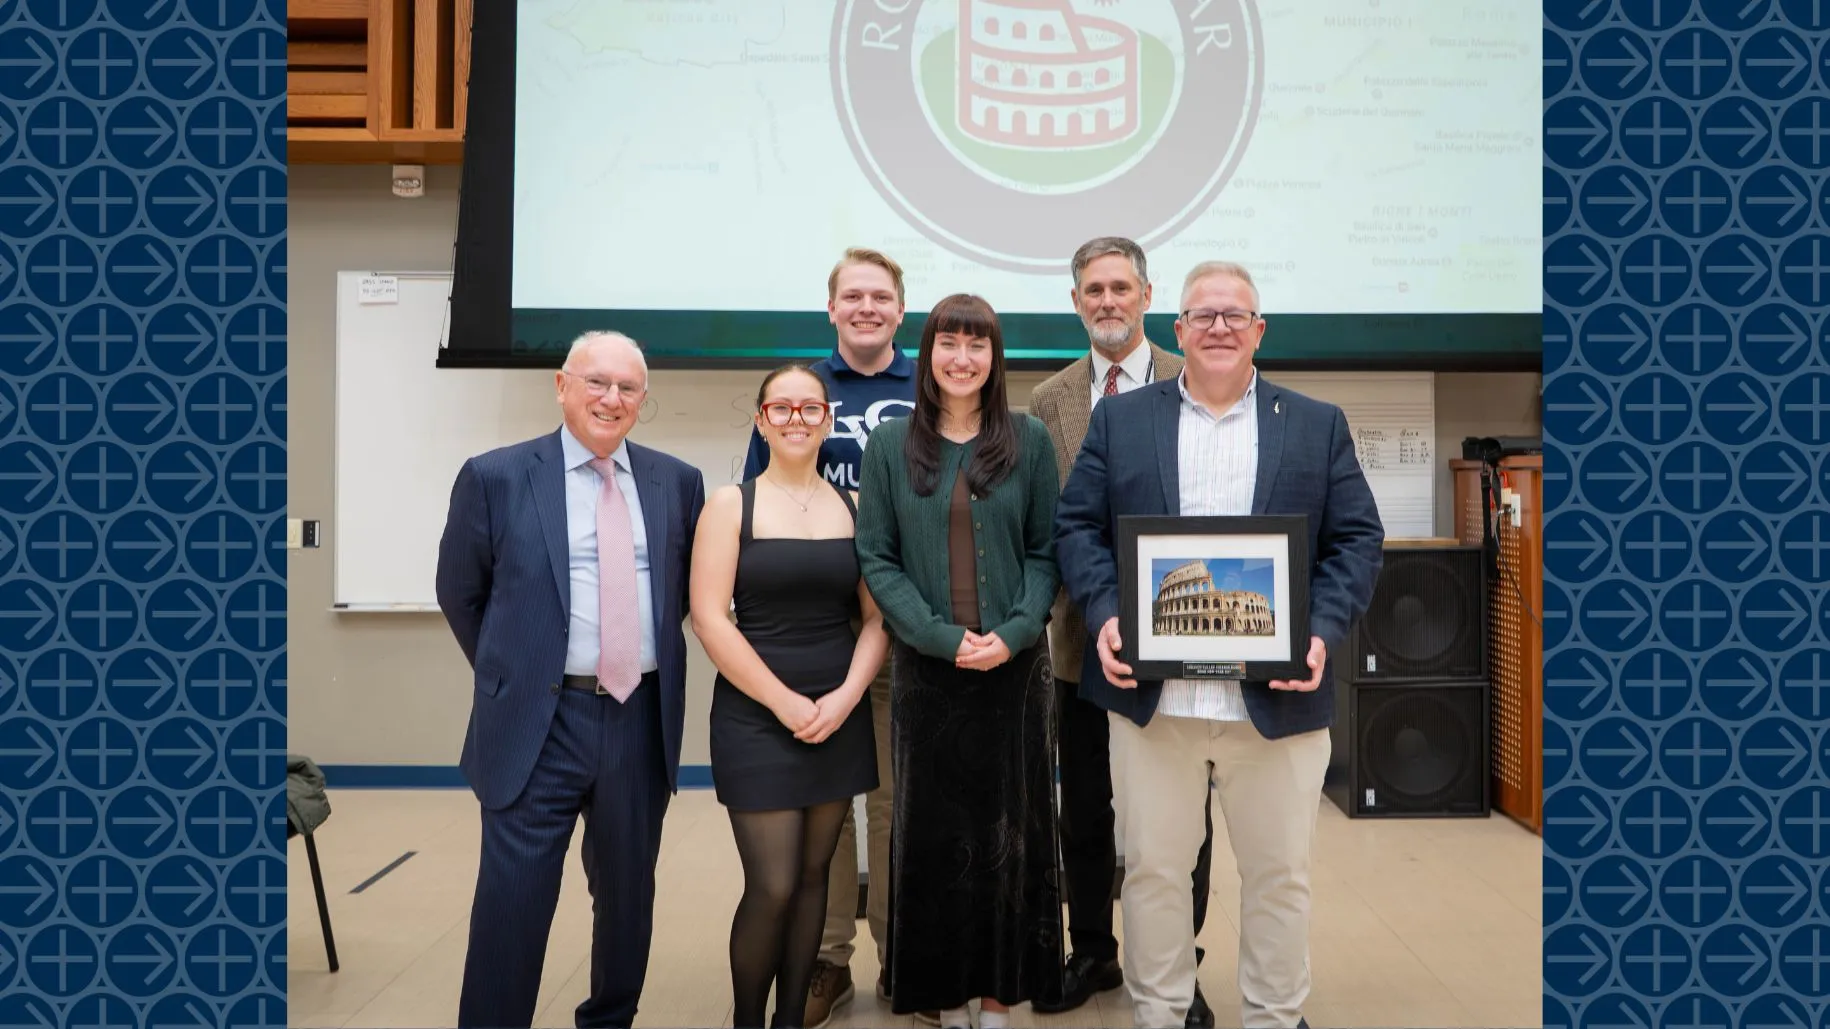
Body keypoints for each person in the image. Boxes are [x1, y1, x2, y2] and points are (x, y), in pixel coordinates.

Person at [1055, 262, 1384, 1029]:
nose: (1220, 327)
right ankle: (1161, 1013)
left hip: (1277, 702)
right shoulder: (1121, 420)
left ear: (1259, 329)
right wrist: (1106, 614)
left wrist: (1320, 633)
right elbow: (1077, 528)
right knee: (1154, 877)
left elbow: (1358, 540)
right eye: (1203, 314)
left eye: (1236, 314)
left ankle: (1273, 1015)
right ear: (1178, 329)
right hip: (1152, 704)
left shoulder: (1315, 423)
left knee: (1279, 878)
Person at [435, 330, 707, 1029]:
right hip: (538, 725)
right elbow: (461, 594)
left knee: (626, 900)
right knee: (513, 900)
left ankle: (609, 1018)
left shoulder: (677, 482)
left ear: (643, 400)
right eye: (596, 382)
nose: (611, 399)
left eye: (627, 388)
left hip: (637, 719)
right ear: (562, 385)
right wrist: (519, 676)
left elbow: (676, 594)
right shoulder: (495, 476)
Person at [854, 293, 1066, 1029]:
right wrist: (941, 637)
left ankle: (1002, 995)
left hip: (1013, 672)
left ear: (994, 358)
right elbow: (877, 559)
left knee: (1012, 836)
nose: (963, 357)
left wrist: (1012, 631)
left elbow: (1046, 552)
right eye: (949, 342)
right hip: (926, 675)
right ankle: (945, 997)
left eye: (978, 344)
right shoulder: (890, 444)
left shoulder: (1030, 440)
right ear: (929, 353)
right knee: (933, 840)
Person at [1026, 237, 1219, 1028]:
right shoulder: (1049, 399)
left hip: (1184, 639)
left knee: (1182, 816)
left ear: (1147, 294)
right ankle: (1096, 946)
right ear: (1077, 302)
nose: (1107, 301)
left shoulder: (1195, 376)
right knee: (1090, 807)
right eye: (1092, 290)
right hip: (1081, 641)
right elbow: (1049, 521)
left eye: (1121, 287)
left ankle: (1180, 963)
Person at [741, 248, 917, 1026]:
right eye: (854, 296)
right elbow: (754, 506)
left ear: (900, 311)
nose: (867, 307)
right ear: (833, 308)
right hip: (816, 633)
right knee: (827, 804)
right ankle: (830, 960)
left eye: (881, 296)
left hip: (902, 627)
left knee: (894, 801)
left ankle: (905, 956)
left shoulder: (928, 384)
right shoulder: (801, 391)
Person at [692, 364, 890, 1027]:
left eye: (811, 409)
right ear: (761, 420)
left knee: (813, 881)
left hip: (838, 714)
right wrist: (784, 702)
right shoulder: (730, 503)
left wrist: (843, 699)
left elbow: (875, 618)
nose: (797, 419)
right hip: (757, 714)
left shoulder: (855, 506)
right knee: (772, 884)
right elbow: (711, 617)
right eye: (783, 409)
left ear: (829, 421)